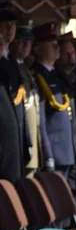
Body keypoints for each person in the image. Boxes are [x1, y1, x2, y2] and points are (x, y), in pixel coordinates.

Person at [32, 23, 76, 178]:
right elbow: (41, 120)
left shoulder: (58, 75)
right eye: (52, 45)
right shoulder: (37, 77)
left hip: (67, 150)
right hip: (54, 151)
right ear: (38, 49)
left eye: (57, 44)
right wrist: (48, 153)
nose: (57, 48)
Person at [11, 24, 42, 176]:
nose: (25, 45)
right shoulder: (9, 68)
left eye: (29, 41)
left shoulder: (26, 68)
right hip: (18, 142)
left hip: (31, 138)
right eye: (21, 40)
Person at [0, 8, 26, 182]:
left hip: (15, 142)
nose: (9, 30)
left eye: (13, 25)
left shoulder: (12, 61)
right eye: (4, 25)